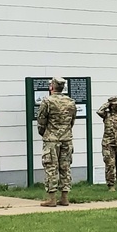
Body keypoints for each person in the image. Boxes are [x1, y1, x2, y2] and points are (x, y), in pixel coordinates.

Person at [37, 76, 76, 207]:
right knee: (65, 167)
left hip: (51, 139)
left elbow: (41, 121)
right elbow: (72, 121)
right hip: (66, 138)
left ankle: (51, 198)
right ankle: (65, 197)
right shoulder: (70, 101)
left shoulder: (47, 101)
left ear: (51, 87)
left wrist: (44, 132)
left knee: (51, 167)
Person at [96, 96, 117, 191]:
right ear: (111, 106)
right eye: (115, 104)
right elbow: (99, 111)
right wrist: (106, 104)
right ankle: (110, 185)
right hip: (108, 144)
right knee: (110, 164)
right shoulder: (106, 115)